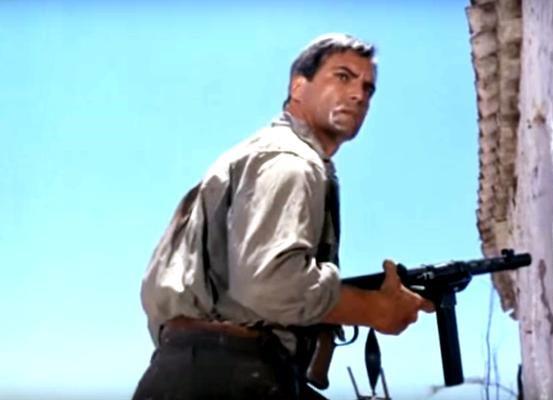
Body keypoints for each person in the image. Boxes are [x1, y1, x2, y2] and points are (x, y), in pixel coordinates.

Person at [132, 33, 434, 400]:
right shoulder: (290, 161)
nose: (359, 95)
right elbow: (270, 285)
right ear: (298, 86)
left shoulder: (264, 153)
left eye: (368, 88)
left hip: (187, 365)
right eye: (343, 77)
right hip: (232, 371)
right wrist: (374, 309)